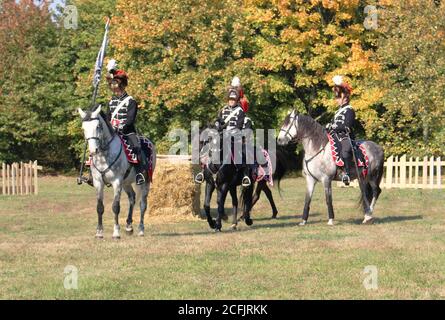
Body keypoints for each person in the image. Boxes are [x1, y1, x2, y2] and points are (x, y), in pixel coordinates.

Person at [195, 86, 252, 186]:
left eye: (233, 100)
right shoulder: (223, 110)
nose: (231, 101)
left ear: (236, 100)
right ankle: (203, 171)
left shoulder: (240, 112)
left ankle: (245, 175)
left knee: (242, 150)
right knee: (208, 144)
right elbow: (218, 121)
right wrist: (217, 126)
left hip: (234, 136)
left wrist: (229, 132)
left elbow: (238, 126)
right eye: (230, 99)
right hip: (221, 134)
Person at [105, 59, 147, 185]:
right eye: (112, 85)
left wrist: (120, 127)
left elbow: (130, 119)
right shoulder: (111, 102)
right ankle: (93, 172)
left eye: (116, 85)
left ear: (122, 85)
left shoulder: (131, 101)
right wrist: (109, 127)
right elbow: (107, 118)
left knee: (137, 146)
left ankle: (139, 174)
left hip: (127, 132)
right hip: (112, 133)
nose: (114, 88)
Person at [326, 75, 356, 186]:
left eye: (338, 97)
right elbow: (333, 124)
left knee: (345, 150)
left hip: (345, 136)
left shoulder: (350, 110)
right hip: (334, 136)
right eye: (336, 97)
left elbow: (347, 126)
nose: (336, 99)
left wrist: (334, 127)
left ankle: (347, 173)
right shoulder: (337, 112)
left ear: (344, 97)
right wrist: (329, 126)